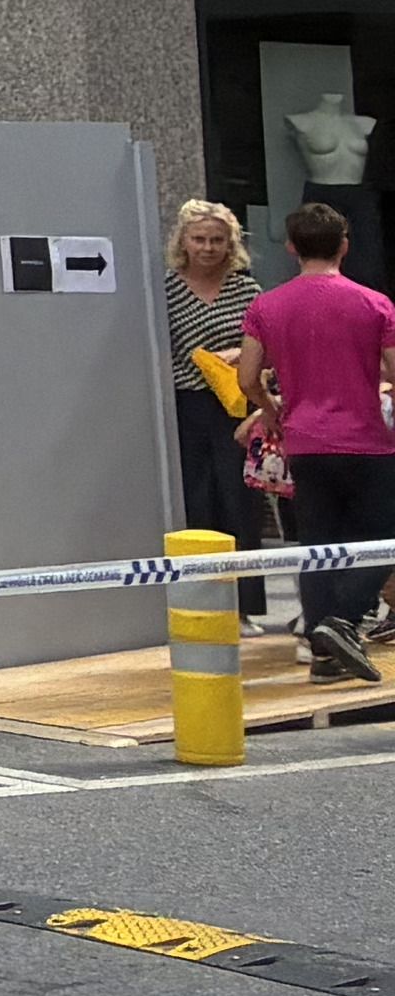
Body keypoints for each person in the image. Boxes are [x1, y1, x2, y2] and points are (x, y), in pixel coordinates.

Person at [240, 197, 395, 685]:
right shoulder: (374, 304)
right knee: (382, 543)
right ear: (344, 246)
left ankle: (324, 654)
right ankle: (342, 621)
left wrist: (272, 411)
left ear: (290, 247)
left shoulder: (266, 306)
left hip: (304, 441)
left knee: (318, 546)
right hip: (367, 440)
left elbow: (247, 377)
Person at [162, 201, 265, 607]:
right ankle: (200, 599)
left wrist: (238, 357)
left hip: (236, 404)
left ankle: (248, 604)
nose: (207, 247)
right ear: (183, 241)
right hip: (186, 403)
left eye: (217, 240)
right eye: (199, 239)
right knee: (196, 499)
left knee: (241, 502)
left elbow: (266, 346)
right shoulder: (166, 288)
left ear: (231, 244)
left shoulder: (246, 288)